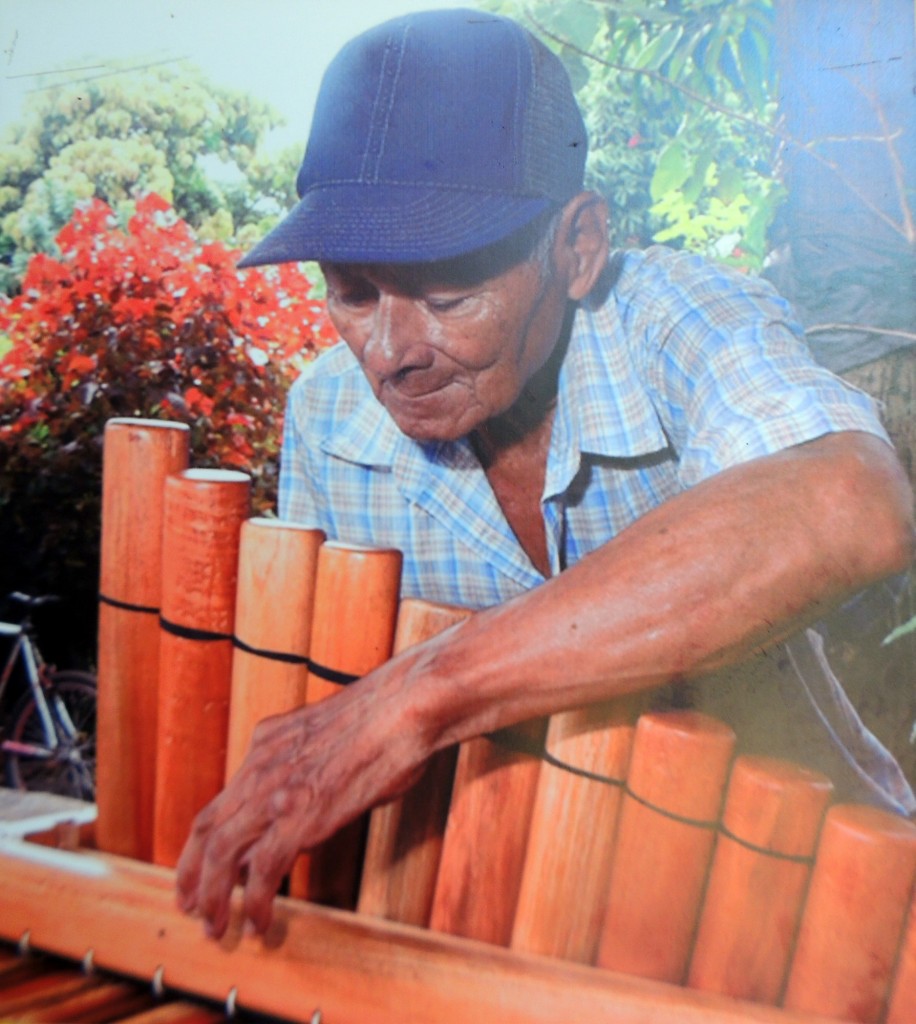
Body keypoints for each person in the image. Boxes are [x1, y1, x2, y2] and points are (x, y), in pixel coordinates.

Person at [176, 8, 915, 939]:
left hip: (815, 926)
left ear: (578, 248)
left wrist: (421, 693)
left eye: (447, 295)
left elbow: (848, 504)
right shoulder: (327, 418)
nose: (392, 353)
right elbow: (330, 744)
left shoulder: (675, 321)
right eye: (354, 292)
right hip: (513, 939)